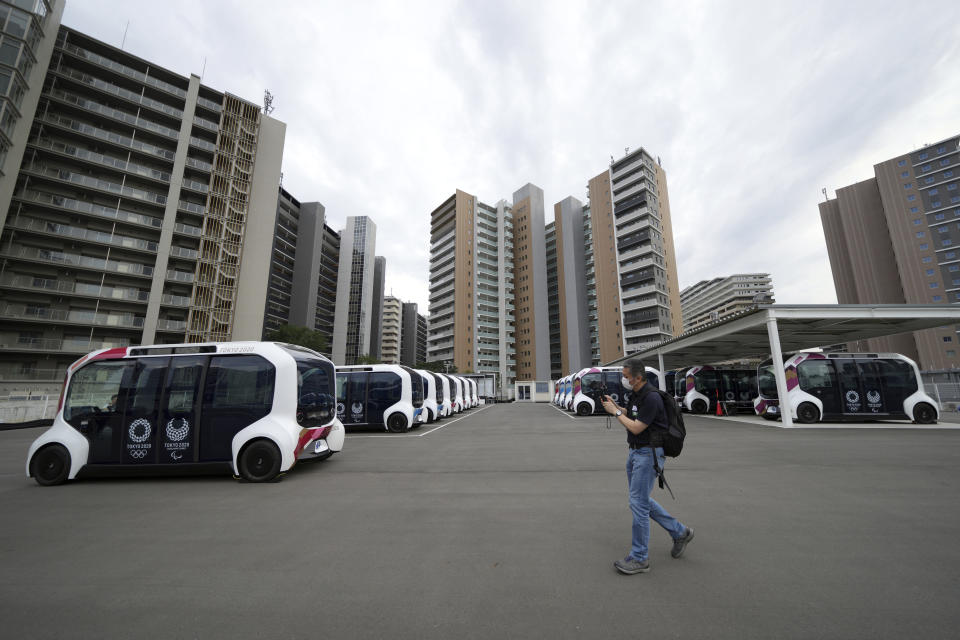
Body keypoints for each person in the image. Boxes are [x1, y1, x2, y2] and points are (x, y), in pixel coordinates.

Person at [601, 359, 694, 575]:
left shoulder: (651, 397)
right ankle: (679, 532)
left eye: (626, 376)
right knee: (640, 500)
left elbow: (636, 427)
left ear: (638, 377)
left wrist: (615, 414)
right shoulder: (637, 395)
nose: (624, 380)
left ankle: (640, 557)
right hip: (636, 453)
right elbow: (634, 414)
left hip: (648, 454)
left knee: (638, 504)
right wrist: (617, 407)